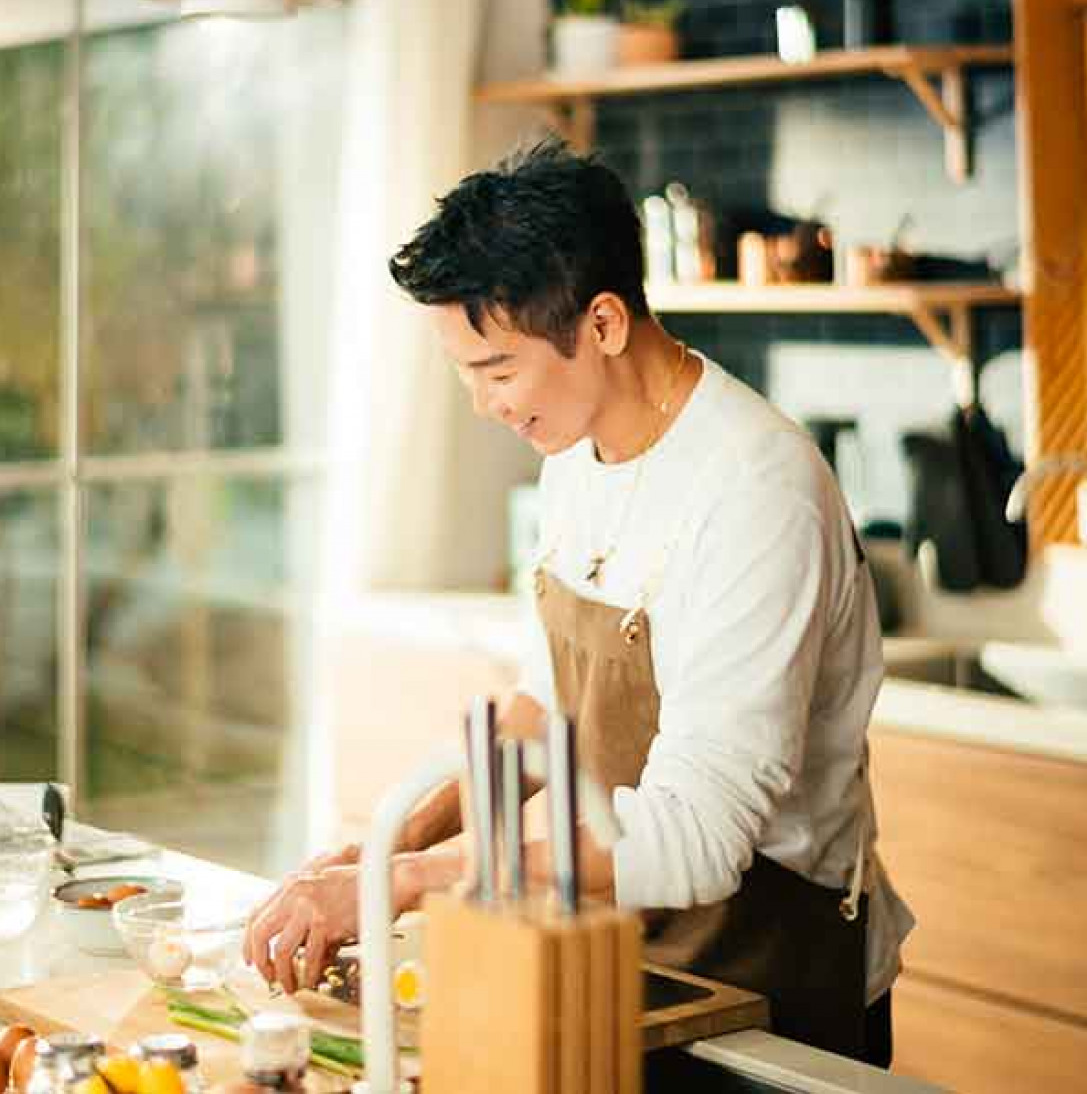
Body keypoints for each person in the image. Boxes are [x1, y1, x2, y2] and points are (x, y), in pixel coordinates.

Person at [243, 141, 911, 1065]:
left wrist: (413, 879)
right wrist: (392, 843)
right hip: (625, 957)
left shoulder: (756, 492)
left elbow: (701, 838)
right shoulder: (575, 453)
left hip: (766, 983)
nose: (484, 404)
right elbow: (543, 710)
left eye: (498, 370)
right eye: (466, 373)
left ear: (602, 323)